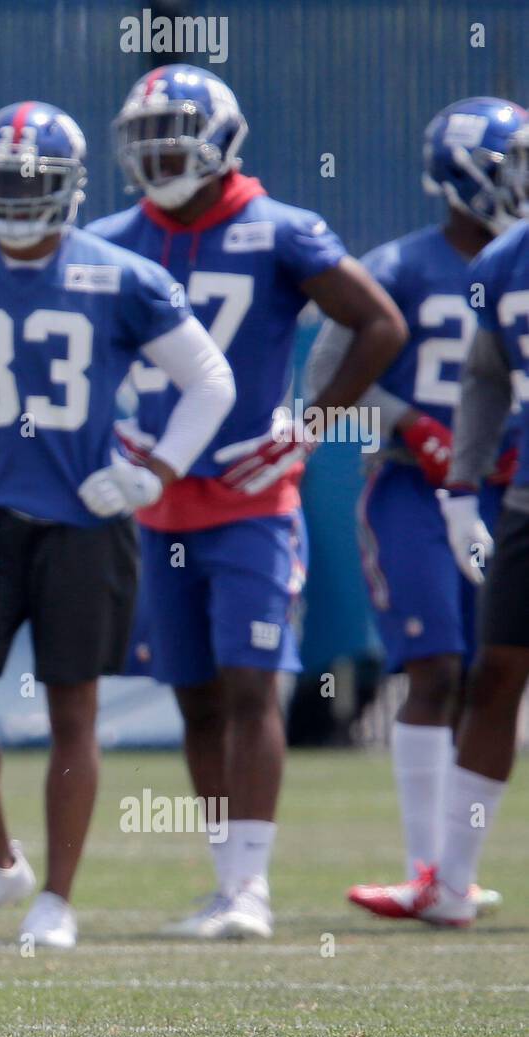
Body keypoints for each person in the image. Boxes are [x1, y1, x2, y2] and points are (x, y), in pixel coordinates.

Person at [0, 100, 237, 947]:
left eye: (30, 183)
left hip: (86, 518)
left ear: (71, 189)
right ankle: (1, 866)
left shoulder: (121, 274)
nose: (16, 198)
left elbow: (210, 380)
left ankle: (58, 900)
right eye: (2, 182)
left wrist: (153, 475)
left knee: (75, 706)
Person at [89, 65, 406, 938]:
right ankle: (225, 875)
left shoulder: (280, 231)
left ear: (223, 139)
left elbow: (379, 321)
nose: (156, 155)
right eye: (144, 139)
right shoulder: (115, 238)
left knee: (251, 683)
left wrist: (309, 428)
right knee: (192, 691)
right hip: (159, 497)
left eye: (172, 136)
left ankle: (251, 888)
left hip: (252, 497)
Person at [306, 98, 526, 918]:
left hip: (513, 488)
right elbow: (328, 386)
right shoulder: (395, 265)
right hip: (411, 486)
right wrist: (411, 426)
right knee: (434, 667)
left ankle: (454, 874)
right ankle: (427, 863)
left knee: (493, 671)